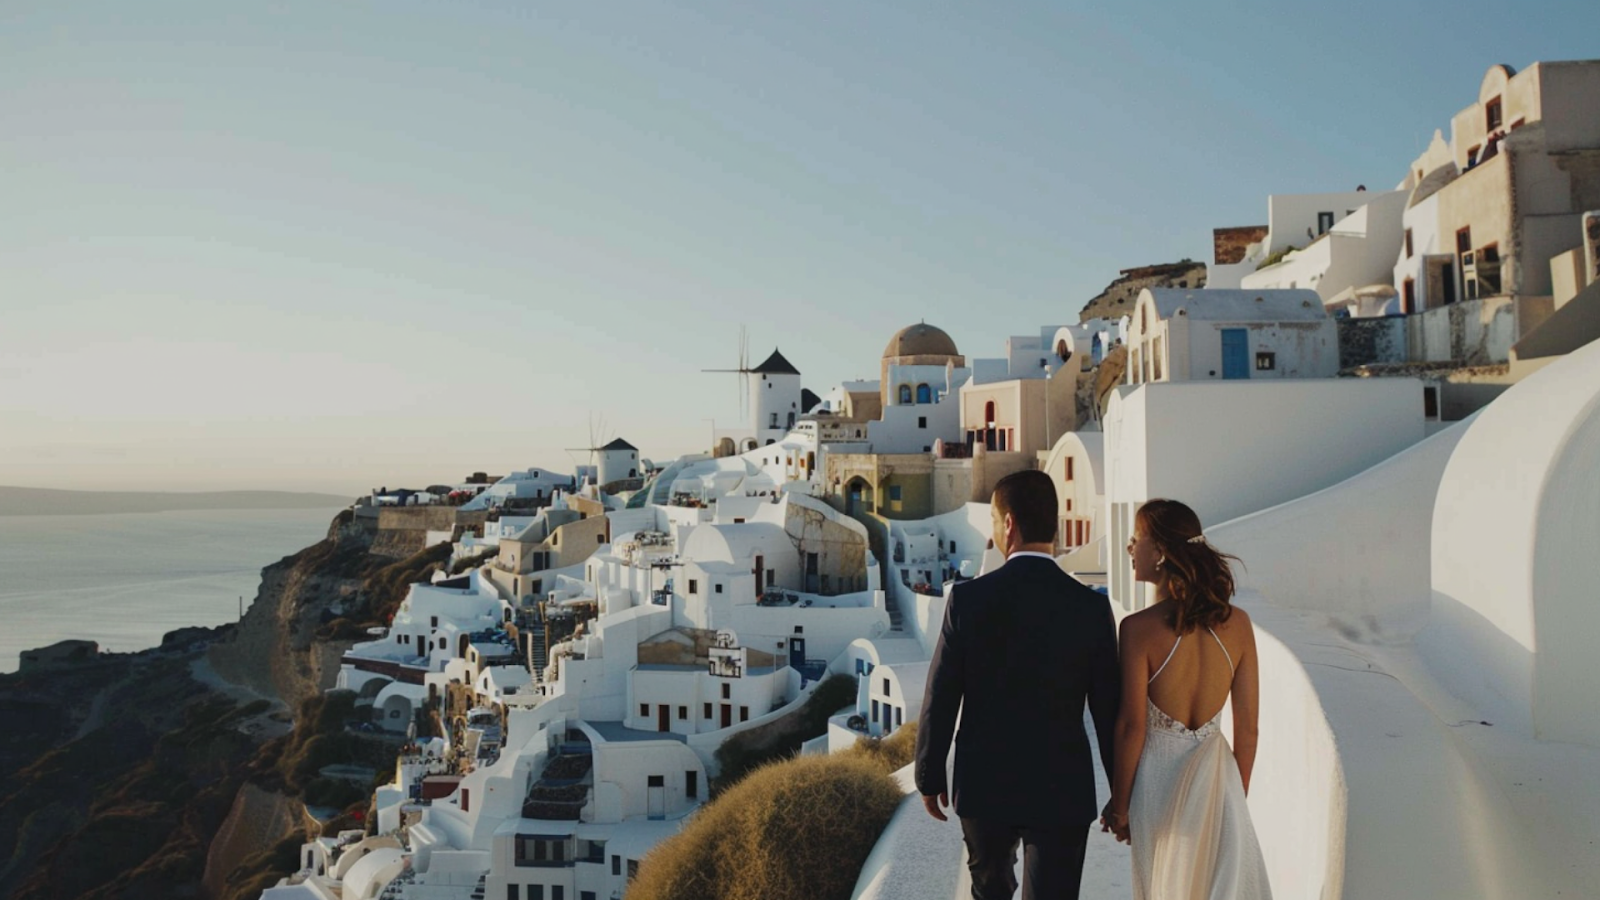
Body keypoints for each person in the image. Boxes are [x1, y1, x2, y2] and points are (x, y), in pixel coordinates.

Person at [915, 470, 1120, 900]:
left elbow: (942, 694)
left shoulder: (968, 601)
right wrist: (1123, 792)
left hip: (985, 784)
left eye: (993, 519)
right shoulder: (1089, 608)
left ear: (1008, 524)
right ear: (1055, 525)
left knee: (989, 893)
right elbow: (1109, 710)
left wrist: (929, 773)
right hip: (1062, 787)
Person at [1102, 499, 1271, 899]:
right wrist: (1232, 799)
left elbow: (1132, 727)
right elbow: (1248, 730)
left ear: (1159, 551)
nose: (1130, 548)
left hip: (1157, 783)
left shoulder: (1137, 629)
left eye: (1136, 539)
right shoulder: (1240, 625)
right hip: (1220, 782)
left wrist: (1120, 807)